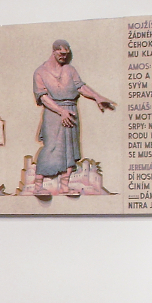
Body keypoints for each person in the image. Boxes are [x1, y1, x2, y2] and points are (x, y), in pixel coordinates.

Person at [29, 39, 117, 194]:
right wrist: (60, 111)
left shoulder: (70, 70)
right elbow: (42, 97)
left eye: (66, 54)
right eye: (61, 53)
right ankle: (38, 187)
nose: (64, 56)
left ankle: (64, 186)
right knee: (51, 147)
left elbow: (80, 86)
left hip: (71, 109)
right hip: (53, 112)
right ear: (54, 51)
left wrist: (97, 97)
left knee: (70, 148)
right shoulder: (40, 71)